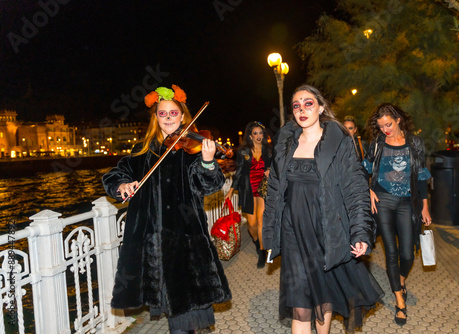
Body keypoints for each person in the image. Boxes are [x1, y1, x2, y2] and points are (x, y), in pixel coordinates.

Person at [102, 85, 231, 334]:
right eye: (163, 113)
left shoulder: (191, 150)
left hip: (186, 244)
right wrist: (122, 184)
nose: (169, 118)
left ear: (183, 116)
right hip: (154, 246)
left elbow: (209, 185)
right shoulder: (142, 152)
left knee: (183, 321)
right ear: (156, 117)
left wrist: (207, 162)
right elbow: (114, 175)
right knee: (178, 318)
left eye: (174, 113)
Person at [262, 85, 383, 334]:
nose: (302, 110)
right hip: (293, 231)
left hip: (326, 229)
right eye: (296, 105)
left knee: (321, 296)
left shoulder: (338, 142)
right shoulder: (285, 143)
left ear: (321, 107)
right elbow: (274, 190)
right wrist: (271, 234)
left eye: (308, 103)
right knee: (300, 304)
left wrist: (360, 232)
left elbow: (355, 188)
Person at [363, 103, 432, 326]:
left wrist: (424, 206)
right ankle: (399, 300)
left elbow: (421, 176)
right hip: (383, 201)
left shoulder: (415, 144)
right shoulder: (377, 144)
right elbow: (363, 170)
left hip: (407, 202)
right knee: (391, 253)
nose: (385, 129)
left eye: (388, 124)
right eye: (381, 126)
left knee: (408, 254)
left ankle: (400, 279)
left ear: (398, 119)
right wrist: (369, 189)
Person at [225, 121, 272, 268]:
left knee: (260, 221)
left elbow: (275, 165)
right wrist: (231, 191)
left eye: (260, 133)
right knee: (251, 225)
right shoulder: (243, 151)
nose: (258, 136)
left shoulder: (268, 150)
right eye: (255, 133)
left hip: (263, 188)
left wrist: (270, 169)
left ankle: (262, 252)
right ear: (251, 136)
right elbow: (238, 172)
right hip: (248, 189)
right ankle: (257, 244)